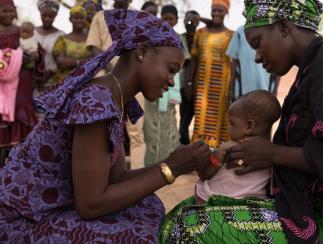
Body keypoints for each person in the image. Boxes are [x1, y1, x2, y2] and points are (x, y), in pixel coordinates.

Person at [0, 9, 210, 243]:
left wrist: (171, 163)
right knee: (137, 234)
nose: (172, 81)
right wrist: (171, 169)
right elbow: (90, 204)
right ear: (142, 52)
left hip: (50, 207)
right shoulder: (97, 101)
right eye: (171, 69)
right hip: (23, 219)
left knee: (146, 206)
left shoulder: (115, 96)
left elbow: (117, 177)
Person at [160, 0, 323, 243]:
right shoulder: (310, 70)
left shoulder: (321, 68)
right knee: (184, 212)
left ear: (283, 27)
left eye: (257, 44)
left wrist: (274, 154)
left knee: (183, 229)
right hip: (295, 202)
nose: (257, 58)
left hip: (312, 216)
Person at [86, 0, 145, 170]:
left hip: (135, 79)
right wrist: (114, 71)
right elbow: (94, 47)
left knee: (136, 132)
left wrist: (128, 73)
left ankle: (137, 176)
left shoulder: (140, 17)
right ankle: (102, 173)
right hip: (105, 78)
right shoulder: (100, 16)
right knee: (102, 129)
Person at [195, 90, 281, 204]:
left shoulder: (229, 149)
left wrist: (217, 154)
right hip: (250, 211)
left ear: (250, 126)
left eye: (232, 124)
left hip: (212, 202)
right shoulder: (272, 154)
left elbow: (205, 174)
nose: (229, 128)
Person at [190, 0, 234, 148]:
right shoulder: (200, 33)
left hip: (222, 87)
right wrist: (190, 83)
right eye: (214, 10)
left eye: (220, 10)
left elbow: (234, 64)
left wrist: (231, 90)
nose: (216, 13)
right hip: (203, 86)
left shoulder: (230, 35)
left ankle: (216, 158)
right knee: (201, 120)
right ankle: (199, 155)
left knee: (218, 121)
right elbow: (194, 59)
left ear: (226, 12)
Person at [0, 0, 38, 165]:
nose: (8, 15)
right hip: (1, 86)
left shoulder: (22, 32)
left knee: (20, 120)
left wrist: (31, 58)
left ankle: (19, 167)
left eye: (11, 11)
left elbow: (34, 52)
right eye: (3, 11)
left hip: (20, 87)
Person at [143, 4, 181, 165]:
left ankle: (168, 162)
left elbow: (179, 68)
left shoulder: (179, 38)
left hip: (169, 88)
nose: (167, 21)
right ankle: (151, 164)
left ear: (176, 20)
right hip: (153, 85)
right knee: (151, 127)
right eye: (164, 18)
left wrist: (174, 92)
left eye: (170, 19)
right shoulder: (153, 37)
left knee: (169, 127)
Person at [33, 0, 65, 119]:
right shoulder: (32, 32)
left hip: (52, 81)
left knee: (47, 116)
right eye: (44, 15)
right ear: (40, 14)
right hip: (33, 81)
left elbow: (60, 60)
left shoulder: (61, 35)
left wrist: (48, 74)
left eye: (50, 16)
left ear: (55, 16)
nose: (47, 18)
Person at [226, 25, 274, 98]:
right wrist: (231, 89)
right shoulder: (240, 31)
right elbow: (234, 62)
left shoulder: (270, 31)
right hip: (242, 91)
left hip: (265, 90)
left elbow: (277, 61)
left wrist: (275, 90)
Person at [52, 5, 91, 84]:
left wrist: (71, 62)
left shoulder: (91, 39)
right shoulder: (62, 39)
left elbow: (96, 60)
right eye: (76, 18)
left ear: (85, 19)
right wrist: (84, 61)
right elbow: (61, 63)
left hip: (86, 81)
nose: (79, 20)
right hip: (65, 82)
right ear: (70, 19)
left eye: (81, 18)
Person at [179, 10, 200, 145]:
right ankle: (185, 144)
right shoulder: (180, 38)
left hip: (199, 85)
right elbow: (185, 59)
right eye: (188, 21)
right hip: (182, 84)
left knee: (196, 119)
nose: (190, 23)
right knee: (184, 119)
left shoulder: (201, 37)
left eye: (193, 21)